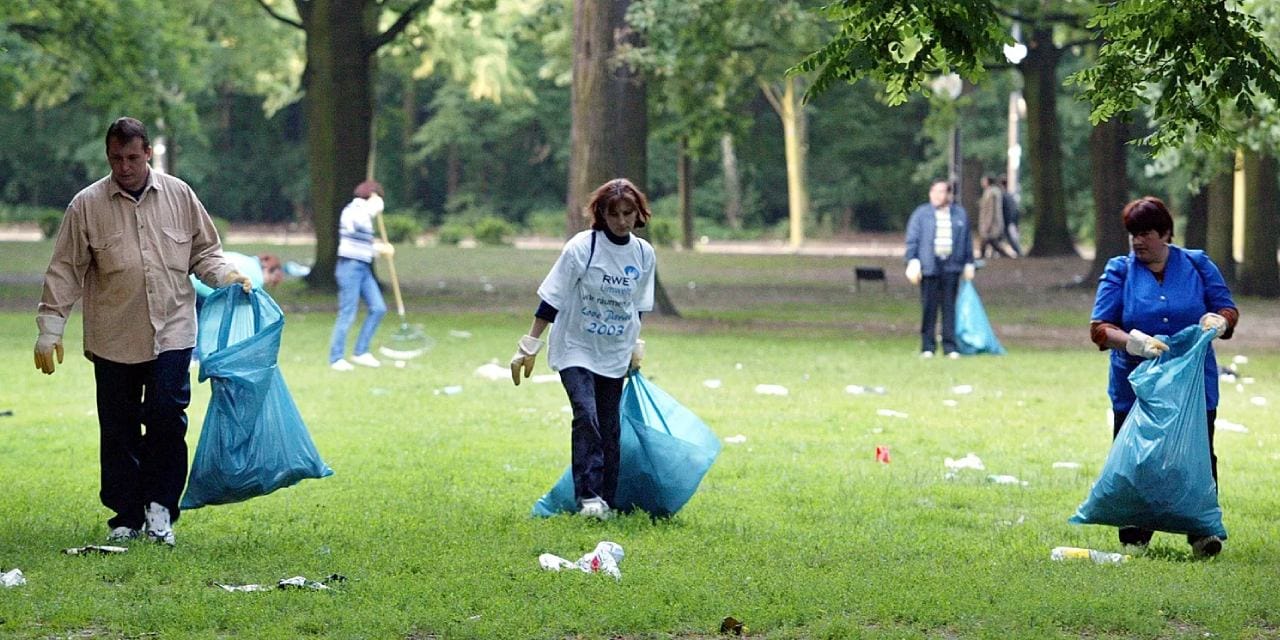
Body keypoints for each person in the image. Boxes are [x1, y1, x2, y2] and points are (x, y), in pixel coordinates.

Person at [33, 116, 253, 546]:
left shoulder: (180, 195)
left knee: (167, 420)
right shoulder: (86, 205)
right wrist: (50, 328)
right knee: (118, 428)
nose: (125, 167)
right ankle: (126, 516)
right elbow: (65, 270)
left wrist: (226, 276)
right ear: (108, 157)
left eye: (133, 157)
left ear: (148, 153)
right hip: (114, 336)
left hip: (172, 332)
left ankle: (160, 511)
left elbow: (204, 252)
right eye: (116, 158)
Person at [1089, 196, 1238, 557]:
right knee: (1137, 457)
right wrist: (1134, 343)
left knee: (1198, 454)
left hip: (1191, 384)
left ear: (1166, 234)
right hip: (1136, 384)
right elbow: (1100, 328)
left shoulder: (1198, 265)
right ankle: (1135, 534)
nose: (1138, 242)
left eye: (1147, 233)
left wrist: (1218, 321)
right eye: (1133, 235)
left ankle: (1202, 533)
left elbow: (1227, 309)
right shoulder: (1119, 271)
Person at [510, 178, 656, 520]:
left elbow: (636, 306)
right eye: (614, 213)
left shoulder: (643, 254)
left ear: (638, 214)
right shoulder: (582, 247)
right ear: (601, 215)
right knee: (585, 414)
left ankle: (607, 498)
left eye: (628, 213)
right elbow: (553, 298)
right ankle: (587, 497)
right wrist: (529, 345)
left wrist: (634, 345)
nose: (621, 220)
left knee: (610, 426)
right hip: (575, 346)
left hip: (614, 351)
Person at [904, 179, 975, 359]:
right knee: (929, 308)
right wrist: (913, 260)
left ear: (949, 195)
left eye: (941, 192)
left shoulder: (960, 214)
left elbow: (966, 240)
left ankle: (950, 346)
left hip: (951, 266)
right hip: (929, 267)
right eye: (934, 192)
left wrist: (969, 262)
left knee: (949, 308)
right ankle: (927, 346)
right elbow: (912, 239)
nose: (937, 196)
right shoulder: (921, 214)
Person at [328, 180, 394, 371]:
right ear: (372, 196)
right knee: (348, 312)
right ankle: (336, 358)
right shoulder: (353, 210)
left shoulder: (365, 214)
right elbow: (352, 226)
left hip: (363, 267)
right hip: (349, 267)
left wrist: (380, 248)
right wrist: (371, 209)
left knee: (378, 307)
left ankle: (361, 352)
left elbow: (363, 243)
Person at [977, 175, 1014, 259]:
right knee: (992, 242)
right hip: (991, 224)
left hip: (992, 224)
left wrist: (988, 224)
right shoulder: (991, 192)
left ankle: (982, 257)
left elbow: (991, 210)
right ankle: (983, 256)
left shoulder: (991, 193)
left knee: (989, 241)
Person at [998, 174, 1023, 257]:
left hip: (1006, 221)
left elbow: (1003, 210)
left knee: (1009, 238)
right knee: (1004, 238)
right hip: (1010, 220)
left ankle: (1019, 253)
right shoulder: (1010, 196)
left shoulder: (1003, 196)